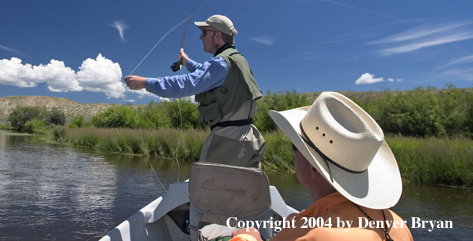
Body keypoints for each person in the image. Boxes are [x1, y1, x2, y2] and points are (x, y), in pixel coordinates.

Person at [232, 91, 414, 240]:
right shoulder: (397, 224)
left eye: (295, 147)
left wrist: (247, 237)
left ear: (314, 168)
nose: (292, 154)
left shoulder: (313, 234)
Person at [124, 14, 265, 168]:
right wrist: (188, 62)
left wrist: (145, 83)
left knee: (210, 188)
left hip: (229, 140)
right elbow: (207, 74)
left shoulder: (221, 63)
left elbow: (187, 84)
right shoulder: (235, 59)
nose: (200, 37)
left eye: (204, 33)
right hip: (249, 136)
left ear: (217, 35)